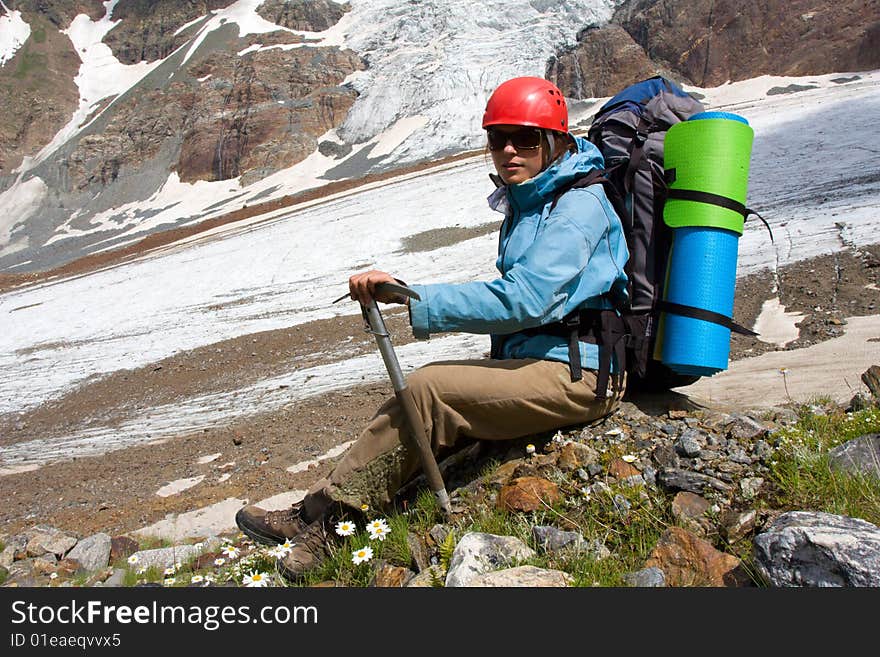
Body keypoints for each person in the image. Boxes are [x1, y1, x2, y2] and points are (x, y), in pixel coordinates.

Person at [235, 76, 630, 582]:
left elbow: (526, 298)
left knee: (428, 388)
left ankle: (332, 526)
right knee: (426, 399)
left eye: (525, 139)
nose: (509, 150)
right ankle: (317, 508)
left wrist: (413, 295)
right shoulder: (534, 199)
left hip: (583, 374)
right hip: (548, 360)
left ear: (555, 141)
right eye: (497, 138)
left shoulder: (578, 207)